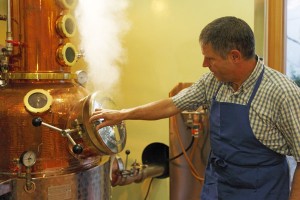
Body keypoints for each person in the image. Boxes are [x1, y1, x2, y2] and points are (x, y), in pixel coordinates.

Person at [89, 16, 300, 200]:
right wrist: (123, 114)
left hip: (262, 192)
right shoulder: (214, 81)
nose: (204, 64)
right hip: (218, 186)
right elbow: (172, 104)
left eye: (210, 58)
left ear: (235, 56)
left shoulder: (282, 92)